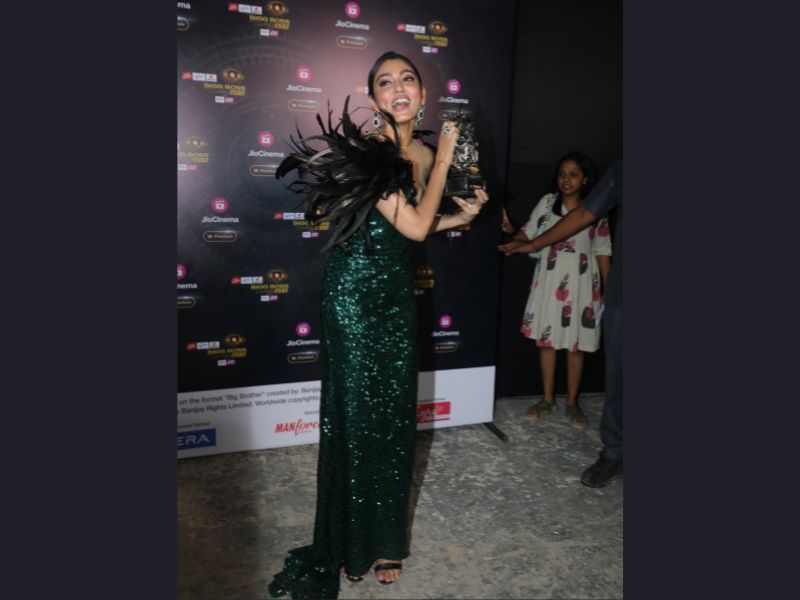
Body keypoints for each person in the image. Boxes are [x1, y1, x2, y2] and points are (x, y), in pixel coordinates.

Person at [268, 51, 489, 599]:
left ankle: (385, 540)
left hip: (395, 295)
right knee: (357, 419)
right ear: (372, 99)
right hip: (353, 297)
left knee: (391, 420)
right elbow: (412, 226)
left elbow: (415, 223)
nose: (398, 88)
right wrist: (446, 160)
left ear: (423, 94)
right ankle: (351, 541)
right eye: (385, 82)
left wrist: (461, 215)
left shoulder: (422, 151)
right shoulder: (371, 153)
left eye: (407, 79)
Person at [498, 159, 622, 488]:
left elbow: (603, 250)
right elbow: (528, 233)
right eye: (562, 174)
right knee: (547, 341)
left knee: (576, 345)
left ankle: (571, 403)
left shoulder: (597, 207)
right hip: (550, 280)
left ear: (586, 179)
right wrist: (511, 231)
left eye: (574, 174)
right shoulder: (547, 203)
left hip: (582, 283)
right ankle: (547, 398)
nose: (566, 179)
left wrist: (609, 291)